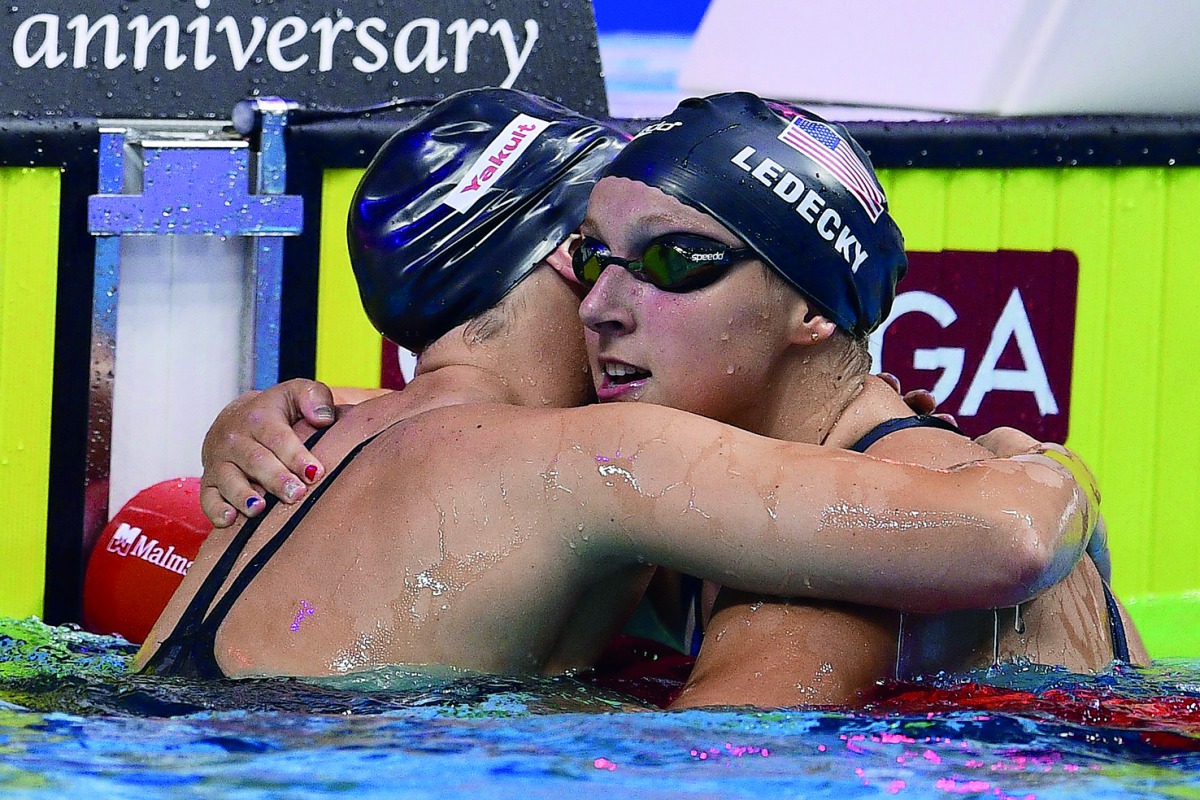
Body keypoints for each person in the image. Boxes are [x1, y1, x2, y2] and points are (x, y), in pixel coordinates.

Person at [151, 88, 1099, 683]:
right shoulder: (602, 462)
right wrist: (1059, 476)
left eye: (672, 259)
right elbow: (1009, 531)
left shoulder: (315, 446)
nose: (610, 299)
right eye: (596, 253)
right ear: (561, 268)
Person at [566, 92, 1147, 708]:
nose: (597, 307)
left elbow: (696, 773)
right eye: (590, 256)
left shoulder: (861, 554)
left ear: (813, 307)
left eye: (673, 261)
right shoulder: (720, 509)